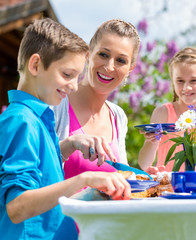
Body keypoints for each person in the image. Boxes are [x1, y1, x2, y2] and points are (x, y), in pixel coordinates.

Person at [0, 18, 131, 240]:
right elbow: (17, 207)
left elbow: (46, 183)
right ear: (35, 65)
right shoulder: (22, 121)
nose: (73, 85)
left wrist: (92, 191)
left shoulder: (38, 118)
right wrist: (84, 179)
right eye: (67, 75)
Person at [53, 19, 140, 180]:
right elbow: (33, 167)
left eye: (121, 60)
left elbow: (122, 176)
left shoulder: (118, 116)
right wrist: (69, 144)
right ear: (88, 54)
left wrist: (147, 177)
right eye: (103, 54)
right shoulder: (56, 104)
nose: (109, 67)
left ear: (130, 68)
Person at [138, 47, 196, 177]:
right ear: (173, 80)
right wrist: (153, 141)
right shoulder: (163, 112)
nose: (186, 88)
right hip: (166, 187)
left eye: (193, 80)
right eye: (180, 81)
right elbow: (144, 164)